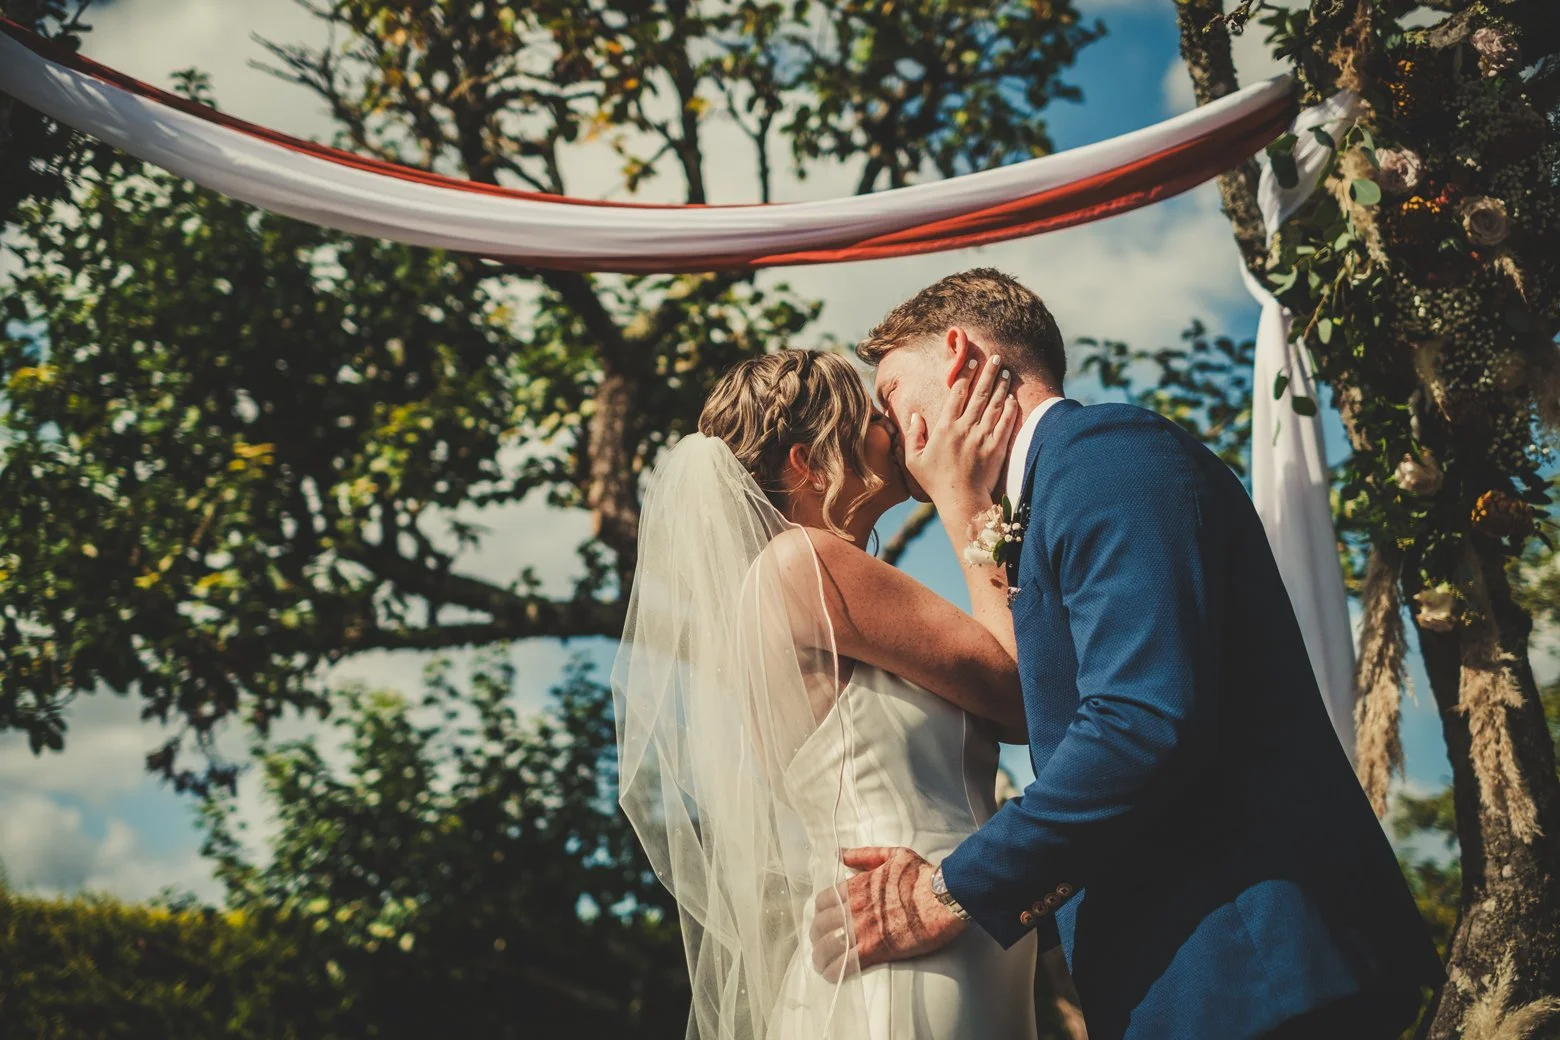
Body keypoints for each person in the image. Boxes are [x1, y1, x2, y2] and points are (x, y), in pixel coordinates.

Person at [808, 268, 1445, 1040]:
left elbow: (1142, 724)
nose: (888, 420)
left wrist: (947, 892)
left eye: (894, 390)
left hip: (1255, 969)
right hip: (1194, 979)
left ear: (959, 356)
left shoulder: (1109, 459)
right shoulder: (1054, 492)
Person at [614, 347, 1041, 1039]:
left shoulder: (786, 592)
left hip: (938, 927)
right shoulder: (800, 563)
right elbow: (1021, 691)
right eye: (872, 416)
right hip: (908, 937)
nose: (895, 428)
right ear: (808, 462)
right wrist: (969, 498)